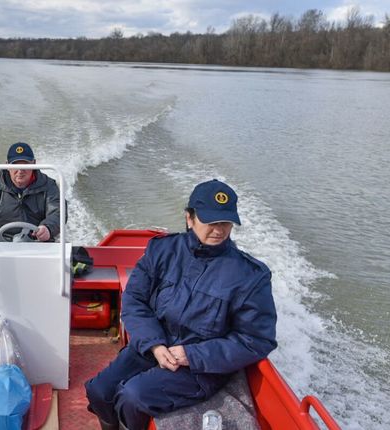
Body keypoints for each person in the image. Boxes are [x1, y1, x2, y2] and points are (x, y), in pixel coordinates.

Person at [85, 179, 278, 430]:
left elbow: (257, 340)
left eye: (226, 223)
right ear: (189, 218)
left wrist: (192, 355)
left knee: (132, 397)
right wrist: (155, 344)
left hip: (199, 367)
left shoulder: (250, 276)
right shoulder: (162, 250)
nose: (219, 230)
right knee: (99, 390)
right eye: (210, 222)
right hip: (152, 347)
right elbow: (135, 300)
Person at [0, 142, 62, 242]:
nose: (20, 170)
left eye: (25, 165)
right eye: (15, 164)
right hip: (1, 247)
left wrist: (48, 228)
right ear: (7, 165)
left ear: (34, 164)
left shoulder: (49, 186)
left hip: (39, 245)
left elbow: (58, 213)